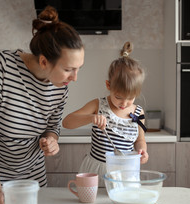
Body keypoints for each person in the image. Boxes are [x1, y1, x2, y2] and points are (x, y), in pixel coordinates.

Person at [0, 6, 84, 204]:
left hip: (32, 180)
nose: (74, 78)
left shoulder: (59, 86)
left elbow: (53, 127)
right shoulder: (0, 66)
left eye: (78, 69)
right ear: (44, 61)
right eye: (68, 70)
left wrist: (51, 140)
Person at [62, 42, 148, 186]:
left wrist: (142, 151)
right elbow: (67, 122)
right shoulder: (98, 105)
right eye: (119, 97)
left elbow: (140, 140)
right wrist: (91, 118)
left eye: (130, 98)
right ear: (109, 86)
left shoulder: (139, 113)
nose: (124, 103)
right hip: (97, 172)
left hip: (125, 173)